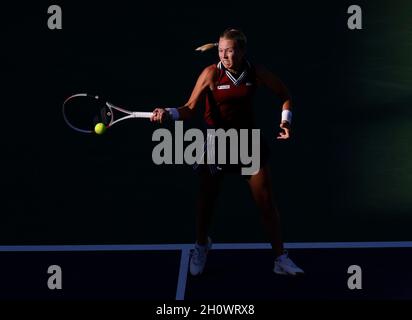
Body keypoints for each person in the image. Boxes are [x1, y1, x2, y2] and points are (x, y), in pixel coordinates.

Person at [151, 28, 304, 276]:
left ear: (242, 51)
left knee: (265, 203)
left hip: (247, 143)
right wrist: (169, 112)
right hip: (216, 143)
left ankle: (280, 259)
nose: (224, 56)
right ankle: (201, 245)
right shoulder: (211, 73)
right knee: (207, 203)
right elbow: (189, 108)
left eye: (230, 51)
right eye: (221, 51)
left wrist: (285, 122)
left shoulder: (256, 72)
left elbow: (285, 95)